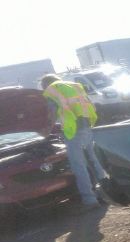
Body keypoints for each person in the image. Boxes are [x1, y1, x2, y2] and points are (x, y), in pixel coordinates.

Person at [40, 74, 108, 212]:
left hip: (73, 131)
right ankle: (108, 192)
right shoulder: (74, 86)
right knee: (94, 160)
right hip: (87, 126)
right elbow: (89, 105)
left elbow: (53, 113)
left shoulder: (52, 90)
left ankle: (90, 199)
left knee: (79, 166)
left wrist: (46, 130)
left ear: (45, 85)